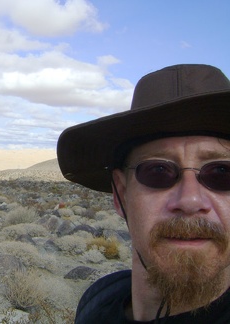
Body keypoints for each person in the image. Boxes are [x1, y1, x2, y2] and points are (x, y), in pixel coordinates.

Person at [57, 64, 230, 323]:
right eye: (158, 170)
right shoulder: (99, 300)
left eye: (221, 173)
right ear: (121, 194)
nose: (190, 200)